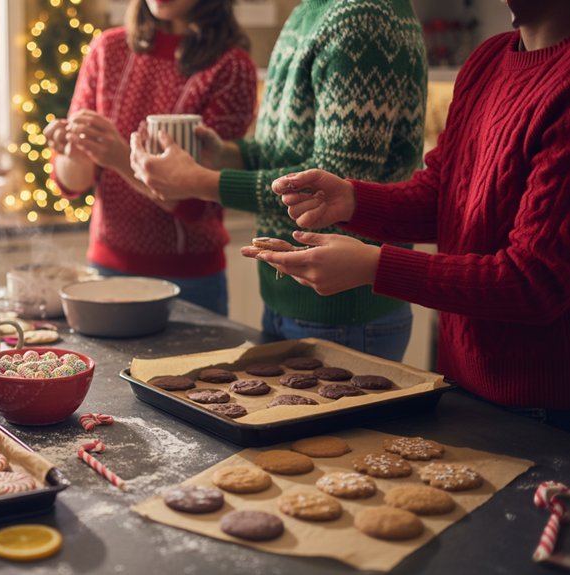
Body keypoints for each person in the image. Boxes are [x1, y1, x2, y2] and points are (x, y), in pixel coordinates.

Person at [248, 0, 570, 426]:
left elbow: (533, 282)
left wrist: (374, 266)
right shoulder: (488, 59)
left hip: (545, 408)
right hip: (460, 382)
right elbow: (442, 194)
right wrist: (353, 200)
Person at [129, 0, 426, 360]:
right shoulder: (310, 12)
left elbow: (332, 188)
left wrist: (200, 182)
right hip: (294, 297)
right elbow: (285, 154)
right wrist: (226, 155)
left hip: (341, 310)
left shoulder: (362, 16)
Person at [43, 0, 256, 315]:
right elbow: (73, 183)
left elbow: (197, 203)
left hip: (189, 282)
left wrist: (120, 157)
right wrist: (73, 151)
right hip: (105, 271)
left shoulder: (231, 67)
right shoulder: (107, 49)